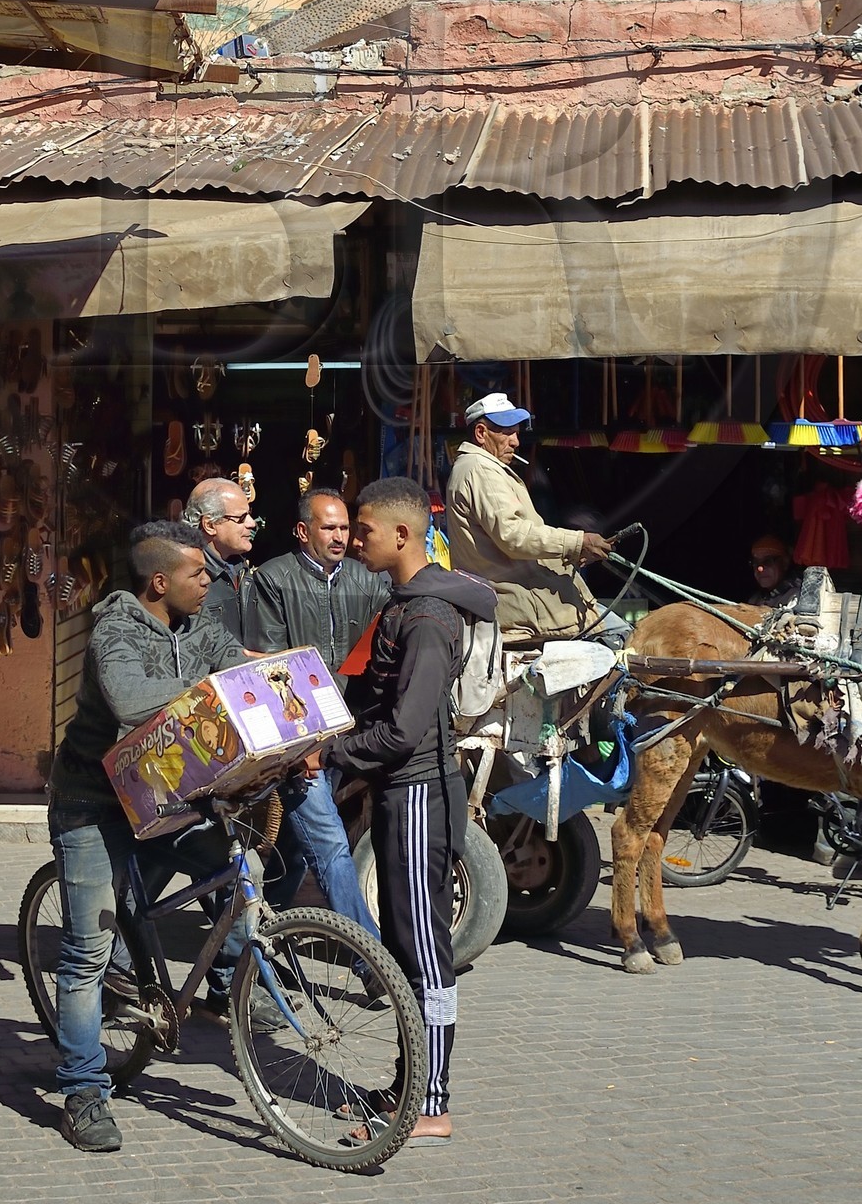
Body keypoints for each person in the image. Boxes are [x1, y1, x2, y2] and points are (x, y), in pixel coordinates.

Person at [46, 518, 257, 1155]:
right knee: (86, 951)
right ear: (160, 582)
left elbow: (242, 665)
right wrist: (218, 691)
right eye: (198, 572)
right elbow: (133, 699)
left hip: (164, 798)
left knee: (233, 878)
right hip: (92, 803)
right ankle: (83, 1091)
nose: (209, 580)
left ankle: (199, 982)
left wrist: (289, 681)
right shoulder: (115, 627)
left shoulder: (199, 626)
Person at [326, 476, 497, 1144]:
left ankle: (430, 1103)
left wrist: (337, 751)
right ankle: (408, 1084)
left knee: (425, 951)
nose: (353, 538)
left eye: (363, 528)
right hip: (402, 792)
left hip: (421, 791)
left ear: (401, 535)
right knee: (404, 946)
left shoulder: (427, 618)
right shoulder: (407, 602)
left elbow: (402, 730)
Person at [247, 488, 388, 932]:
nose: (340, 536)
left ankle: (251, 939)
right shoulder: (273, 579)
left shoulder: (366, 580)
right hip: (298, 742)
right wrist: (304, 740)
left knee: (293, 851)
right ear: (303, 531)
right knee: (329, 845)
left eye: (345, 527)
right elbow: (272, 668)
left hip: (345, 736)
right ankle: (372, 963)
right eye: (329, 527)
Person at [445, 391, 620, 640]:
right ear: (481, 434)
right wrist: (577, 541)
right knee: (619, 636)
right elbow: (514, 536)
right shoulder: (480, 470)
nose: (515, 441)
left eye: (516, 432)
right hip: (519, 607)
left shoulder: (482, 468)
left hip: (528, 603)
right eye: (506, 433)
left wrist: (571, 552)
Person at [185, 476, 258, 636]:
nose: (252, 523)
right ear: (210, 525)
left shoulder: (244, 570)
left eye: (249, 514)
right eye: (241, 518)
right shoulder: (187, 580)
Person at [744, 535, 798, 606]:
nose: (760, 568)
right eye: (755, 562)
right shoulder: (754, 600)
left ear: (785, 562)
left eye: (767, 561)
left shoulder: (796, 597)